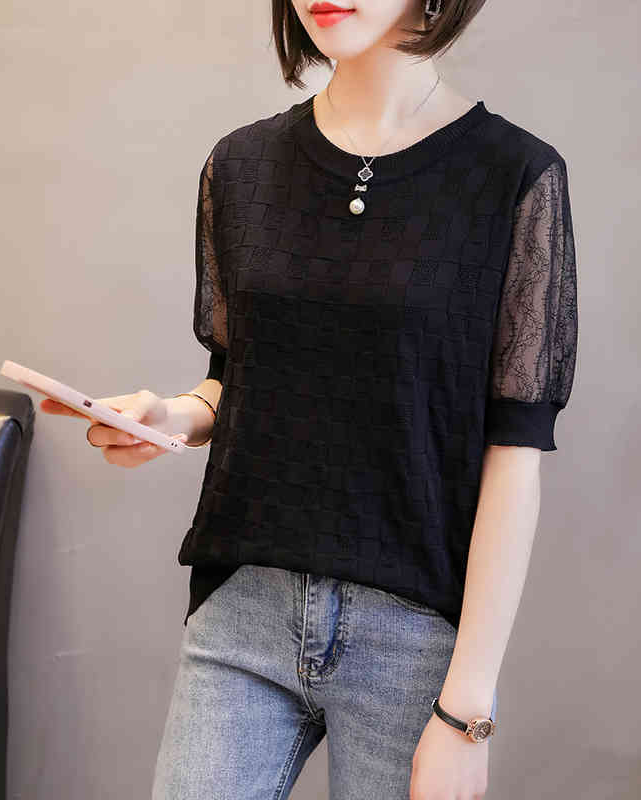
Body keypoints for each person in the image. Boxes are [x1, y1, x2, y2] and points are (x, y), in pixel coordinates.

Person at [42, 1, 579, 797]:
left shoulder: (514, 178)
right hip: (245, 611)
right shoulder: (241, 163)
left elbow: (515, 453)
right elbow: (242, 376)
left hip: (415, 639)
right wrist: (173, 418)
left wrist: (468, 710)